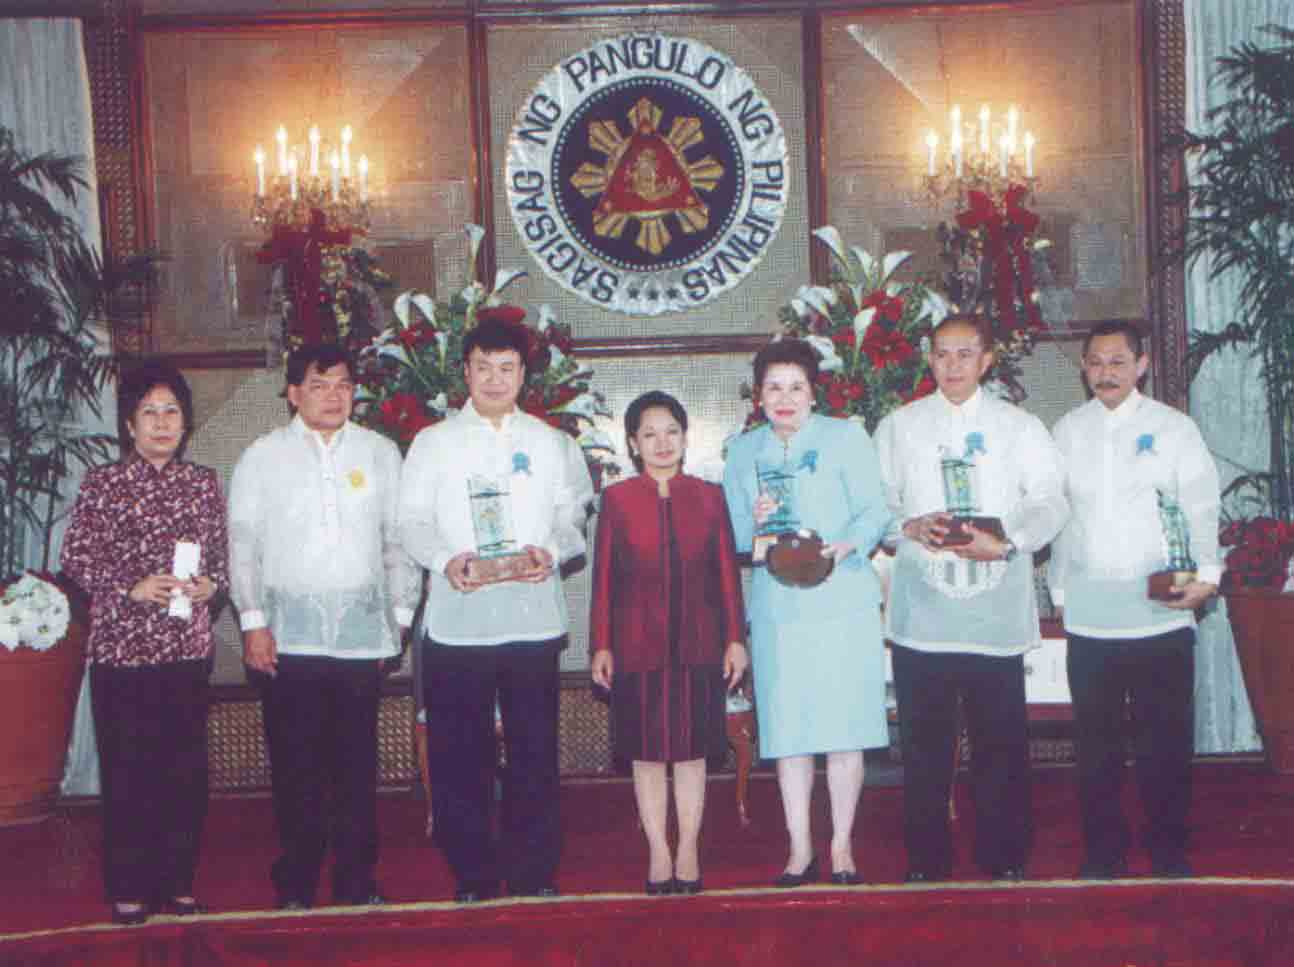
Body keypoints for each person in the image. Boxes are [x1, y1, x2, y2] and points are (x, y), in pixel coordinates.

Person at [398, 317, 594, 903]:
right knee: (462, 758)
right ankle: (474, 875)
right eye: (483, 367)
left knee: (534, 753)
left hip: (532, 620)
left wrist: (550, 551)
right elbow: (410, 522)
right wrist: (444, 560)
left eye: (506, 368)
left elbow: (573, 518)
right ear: (465, 371)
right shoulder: (433, 443)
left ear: (523, 375)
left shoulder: (550, 442)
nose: (494, 378)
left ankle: (535, 871)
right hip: (458, 625)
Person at [874, 314, 1068, 883]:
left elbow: (1050, 502)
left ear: (988, 360)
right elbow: (874, 505)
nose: (952, 365)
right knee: (924, 746)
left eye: (965, 354)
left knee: (1000, 744)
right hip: (922, 612)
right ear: (928, 359)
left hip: (994, 610)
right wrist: (906, 528)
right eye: (941, 354)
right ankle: (926, 861)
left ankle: (1004, 856)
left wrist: (1009, 540)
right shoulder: (899, 426)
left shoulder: (1021, 426)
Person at [228, 343, 417, 910]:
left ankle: (358, 881)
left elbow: (400, 540)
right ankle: (296, 882)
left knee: (357, 768)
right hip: (288, 640)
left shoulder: (381, 454)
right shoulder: (261, 457)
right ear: (293, 393)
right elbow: (242, 548)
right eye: (319, 384)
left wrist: (400, 618)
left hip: (361, 638)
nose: (334, 396)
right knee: (296, 769)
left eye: (343, 384)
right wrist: (253, 624)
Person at [1050, 320, 1221, 879]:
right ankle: (1104, 852)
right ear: (1084, 368)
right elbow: (1057, 517)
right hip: (1092, 615)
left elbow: (1200, 507)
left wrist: (1209, 576)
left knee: (1164, 743)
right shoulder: (1068, 431)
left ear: (1141, 366)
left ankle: (1169, 850)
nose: (1106, 373)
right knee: (1095, 747)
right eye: (1096, 363)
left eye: (1118, 362)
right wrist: (1060, 589)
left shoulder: (1174, 429)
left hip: (1161, 612)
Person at [61, 362, 228, 925]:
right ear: (129, 425)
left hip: (184, 652)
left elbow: (221, 562)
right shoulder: (103, 483)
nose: (161, 423)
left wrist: (211, 585)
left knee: (183, 775)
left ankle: (178, 884)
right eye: (149, 413)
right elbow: (76, 559)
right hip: (121, 655)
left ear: (186, 423)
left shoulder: (203, 483)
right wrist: (129, 587)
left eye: (172, 412)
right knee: (129, 774)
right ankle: (129, 888)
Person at [722, 338, 891, 887]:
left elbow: (875, 513)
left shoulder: (845, 438)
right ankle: (800, 849)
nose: (785, 397)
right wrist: (753, 519)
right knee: (789, 732)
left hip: (842, 602)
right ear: (758, 396)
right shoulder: (743, 452)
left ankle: (841, 845)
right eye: (774, 387)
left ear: (814, 392)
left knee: (845, 730)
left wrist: (849, 545)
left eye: (796, 386)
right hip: (778, 609)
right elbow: (735, 536)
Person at [589, 391, 748, 896]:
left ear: (684, 437)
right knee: (647, 752)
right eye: (649, 434)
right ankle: (658, 848)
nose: (662, 443)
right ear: (633, 443)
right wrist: (601, 644)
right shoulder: (616, 500)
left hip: (700, 644)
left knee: (693, 751)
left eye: (671, 432)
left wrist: (735, 639)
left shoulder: (708, 496)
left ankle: (689, 848)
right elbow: (604, 579)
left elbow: (727, 575)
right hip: (637, 645)